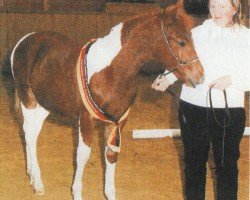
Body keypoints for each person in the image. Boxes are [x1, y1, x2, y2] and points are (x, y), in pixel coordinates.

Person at [151, 0, 250, 199]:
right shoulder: (197, 34)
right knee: (194, 166)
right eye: (213, 6)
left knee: (226, 167)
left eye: (222, 6)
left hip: (228, 111)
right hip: (192, 109)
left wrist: (232, 80)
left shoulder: (246, 37)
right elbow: (182, 61)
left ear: (235, 8)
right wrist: (167, 78)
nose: (216, 11)